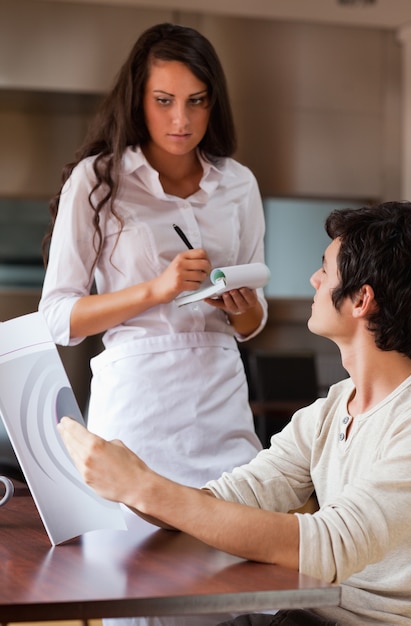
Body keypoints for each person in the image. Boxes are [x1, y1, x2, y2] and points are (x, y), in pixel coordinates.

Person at [59, 201, 411, 626]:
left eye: (326, 269)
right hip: (307, 615)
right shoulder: (328, 412)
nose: (314, 280)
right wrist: (124, 481)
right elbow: (229, 499)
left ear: (361, 299)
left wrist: (143, 487)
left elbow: (327, 546)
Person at [39, 24, 267, 489]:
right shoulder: (96, 180)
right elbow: (57, 319)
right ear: (138, 100)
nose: (181, 119)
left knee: (237, 547)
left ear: (213, 102)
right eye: (164, 100)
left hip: (223, 403)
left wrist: (243, 308)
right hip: (136, 410)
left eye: (196, 100)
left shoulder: (239, 183)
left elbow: (251, 325)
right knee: (130, 556)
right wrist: (156, 290)